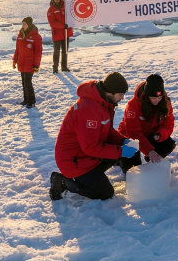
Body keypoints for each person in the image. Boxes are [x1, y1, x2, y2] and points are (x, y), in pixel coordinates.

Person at [49, 72, 140, 201]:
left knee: (120, 151)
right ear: (110, 93)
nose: (122, 98)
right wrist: (120, 151)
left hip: (87, 155)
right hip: (74, 162)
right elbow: (91, 147)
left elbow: (106, 130)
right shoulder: (89, 109)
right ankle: (62, 181)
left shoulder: (104, 102)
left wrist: (122, 141)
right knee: (105, 193)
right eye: (120, 95)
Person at [117, 74, 176, 163]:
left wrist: (159, 135)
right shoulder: (133, 104)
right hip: (129, 138)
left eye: (159, 98)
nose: (156, 101)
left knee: (168, 144)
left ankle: (151, 163)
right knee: (133, 165)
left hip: (150, 134)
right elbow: (133, 132)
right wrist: (149, 150)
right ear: (147, 96)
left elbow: (168, 124)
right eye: (153, 98)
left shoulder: (165, 102)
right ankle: (120, 161)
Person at [12, 17, 43, 108]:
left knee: (27, 82)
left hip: (30, 63)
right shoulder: (20, 35)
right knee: (23, 82)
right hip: (22, 62)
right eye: (22, 24)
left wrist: (36, 65)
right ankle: (26, 100)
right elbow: (17, 49)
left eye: (25, 24)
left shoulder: (36, 37)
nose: (23, 26)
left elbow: (38, 52)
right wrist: (15, 60)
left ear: (29, 25)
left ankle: (31, 101)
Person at [46, 0, 73, 73]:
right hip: (57, 34)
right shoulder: (50, 10)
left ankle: (64, 67)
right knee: (56, 52)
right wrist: (63, 26)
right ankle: (55, 68)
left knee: (65, 51)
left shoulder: (66, 5)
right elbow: (52, 23)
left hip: (65, 33)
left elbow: (73, 4)